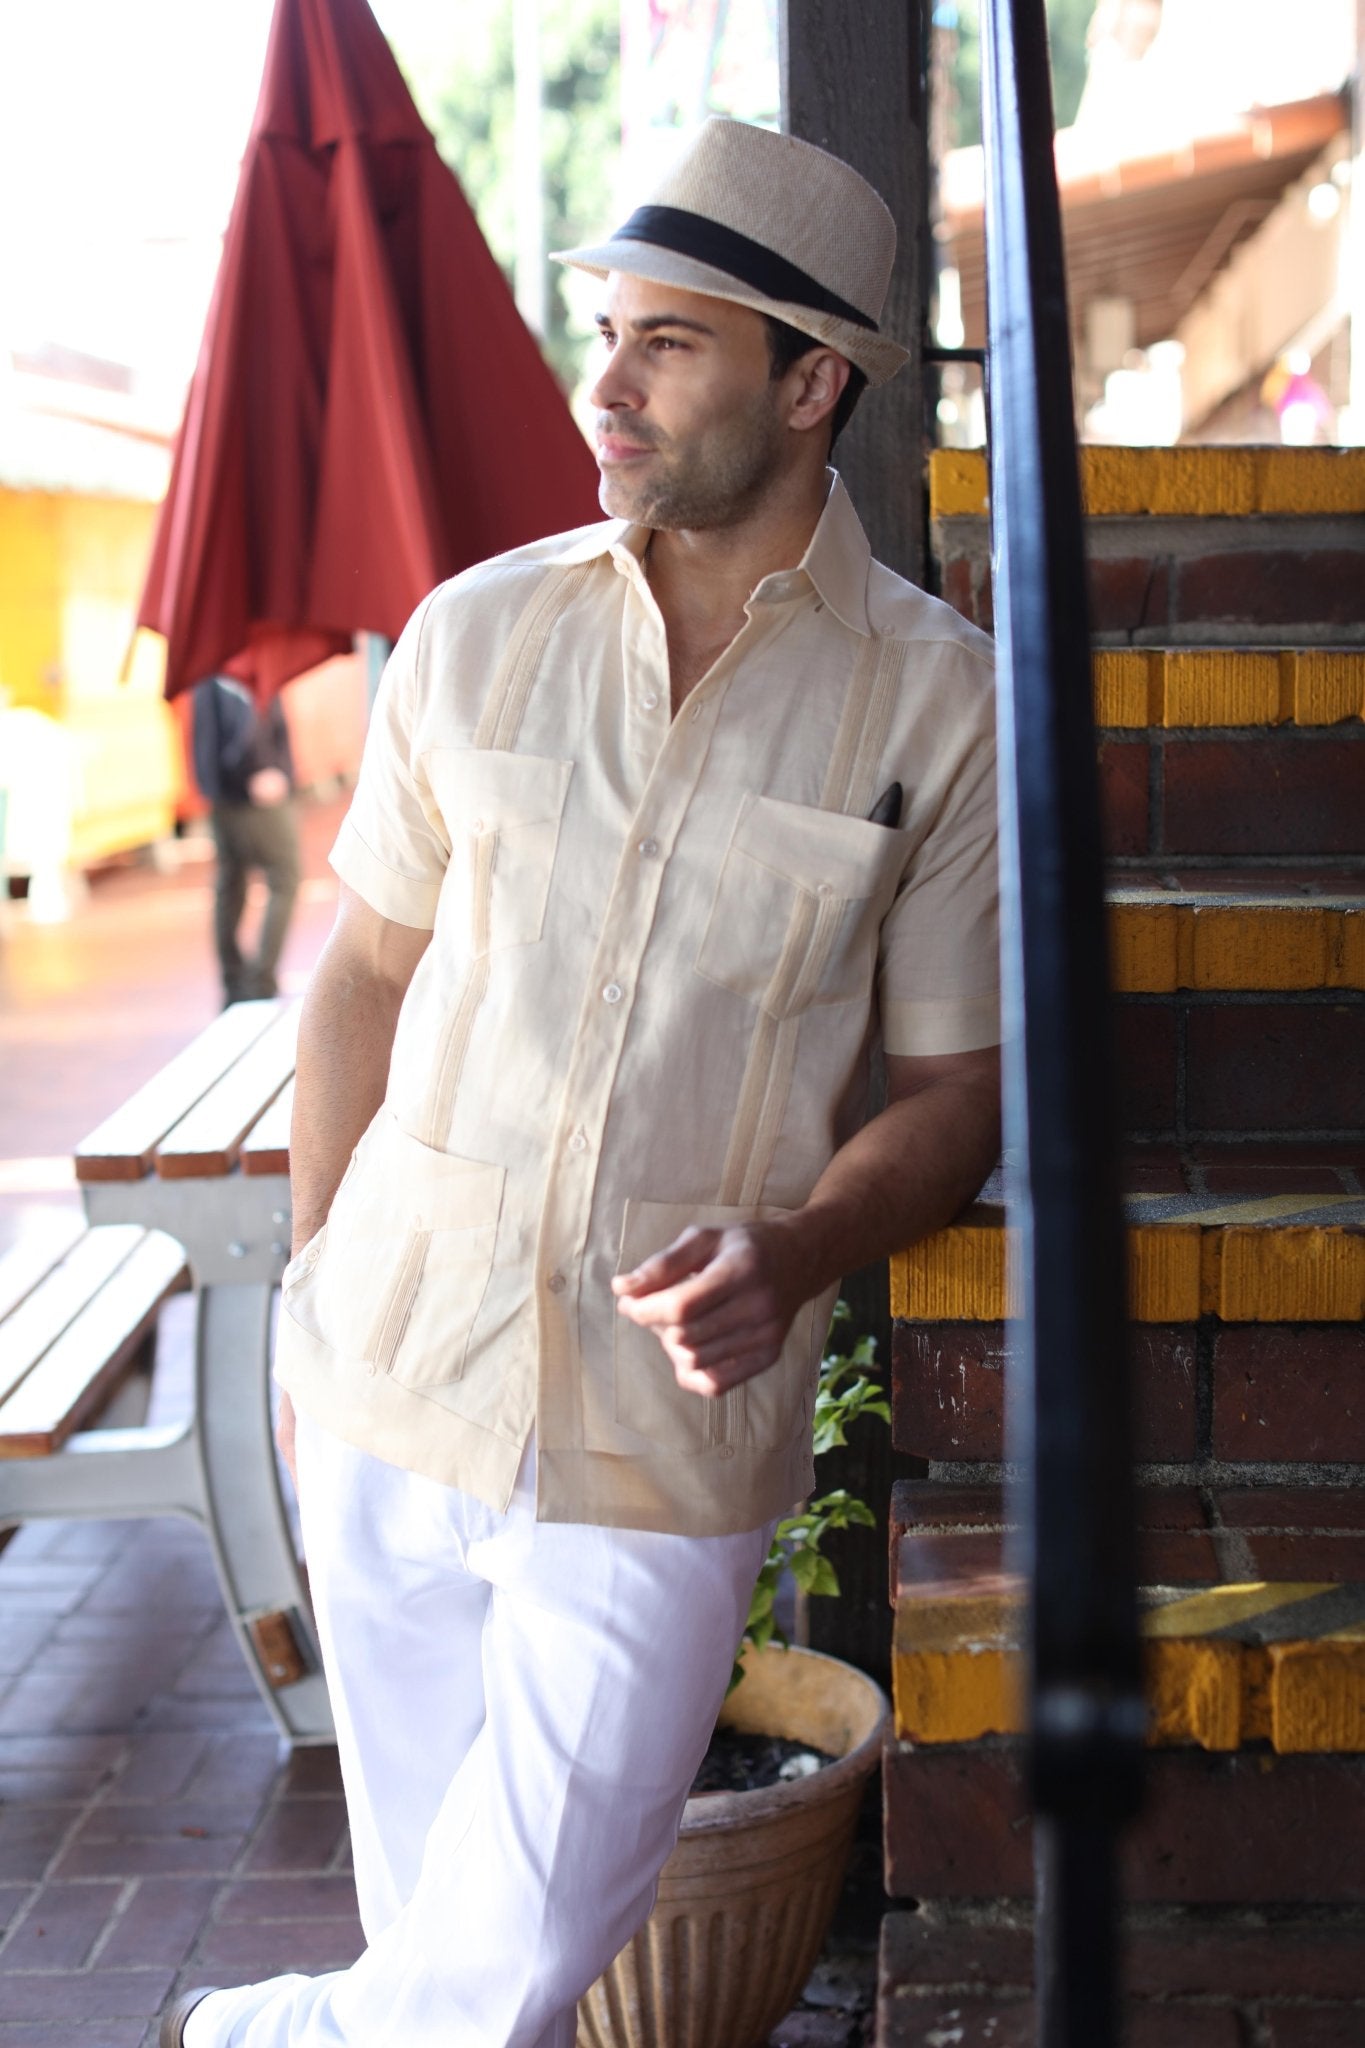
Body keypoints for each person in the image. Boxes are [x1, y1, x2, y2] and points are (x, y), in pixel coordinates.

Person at [162, 118, 1001, 2048]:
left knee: (511, 1959)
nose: (601, 388)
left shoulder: (933, 704)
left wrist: (795, 1248)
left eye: (665, 345)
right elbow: (361, 971)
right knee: (441, 1933)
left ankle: (256, 2034)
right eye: (600, 332)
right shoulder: (474, 635)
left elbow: (955, 1091)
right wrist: (309, 1291)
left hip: (658, 1420)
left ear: (814, 383)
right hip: (392, 1364)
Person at [191, 675, 302, 1004]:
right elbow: (248, 722)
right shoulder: (244, 659)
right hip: (251, 792)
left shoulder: (208, 669)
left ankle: (235, 982)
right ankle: (258, 982)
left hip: (222, 793)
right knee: (285, 877)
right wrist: (267, 769)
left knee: (231, 884)